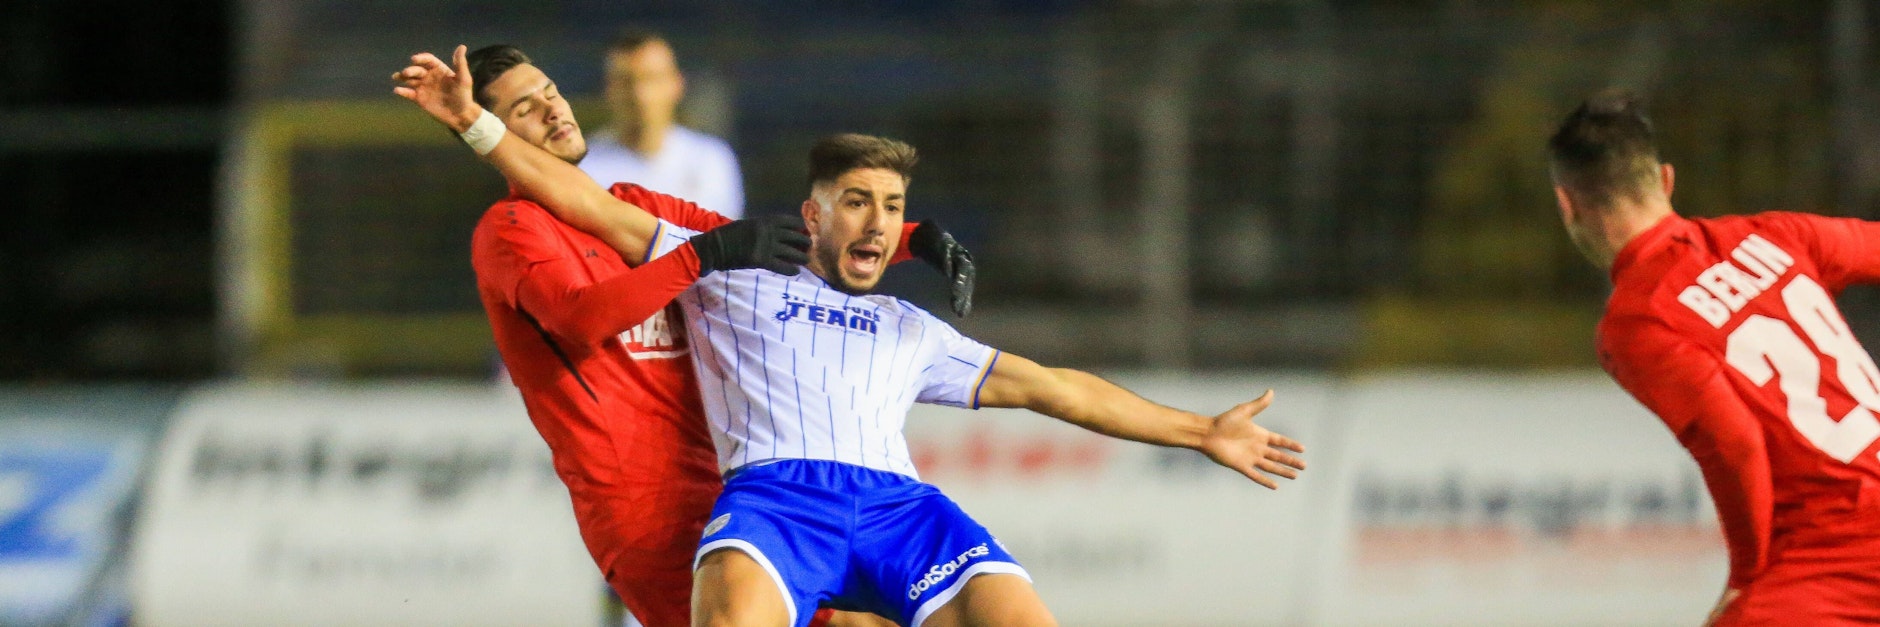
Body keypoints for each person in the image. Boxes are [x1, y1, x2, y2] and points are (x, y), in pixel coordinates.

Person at [395, 47, 1307, 627]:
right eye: (527, 108)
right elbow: (590, 285)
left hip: (879, 507)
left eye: (894, 208)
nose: (555, 112)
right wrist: (472, 124)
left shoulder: (901, 322)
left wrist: (1201, 430)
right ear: (810, 209)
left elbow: (1048, 384)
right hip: (719, 501)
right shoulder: (639, 253)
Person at [392, 45, 972, 627]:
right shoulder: (510, 230)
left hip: (740, 494)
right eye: (524, 108)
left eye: (550, 91)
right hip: (646, 518)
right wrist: (699, 258)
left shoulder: (635, 205)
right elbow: (582, 320)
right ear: (494, 131)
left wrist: (911, 239)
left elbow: (779, 249)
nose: (552, 110)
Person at [1550, 91, 1880, 625]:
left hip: (1836, 549)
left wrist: (1749, 577)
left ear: (1568, 206)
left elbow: (1734, 441)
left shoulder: (1638, 321)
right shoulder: (1776, 235)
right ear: (1665, 180)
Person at [579, 29, 745, 217]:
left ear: (677, 84)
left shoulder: (711, 159)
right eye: (626, 81)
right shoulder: (586, 167)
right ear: (608, 88)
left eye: (652, 78)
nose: (640, 94)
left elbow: (715, 237)